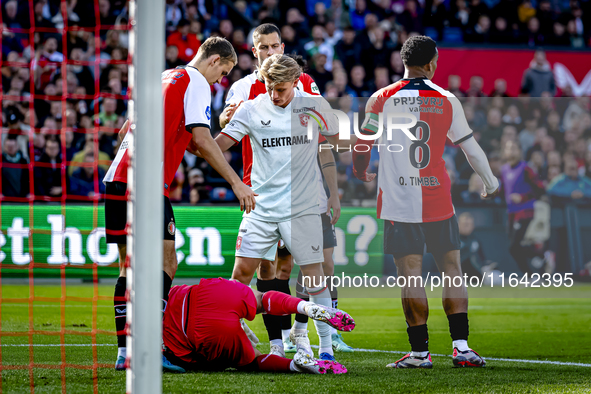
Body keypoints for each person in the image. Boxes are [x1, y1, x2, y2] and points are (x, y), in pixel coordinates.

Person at [103, 37, 256, 372]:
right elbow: (201, 139)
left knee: (128, 269)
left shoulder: (163, 77)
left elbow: (128, 132)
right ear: (214, 60)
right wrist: (236, 182)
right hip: (145, 184)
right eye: (224, 72)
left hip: (117, 176)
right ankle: (150, 348)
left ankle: (124, 352)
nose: (221, 81)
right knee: (167, 262)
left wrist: (223, 133)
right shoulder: (196, 81)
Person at [353, 36, 499, 368]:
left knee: (410, 275)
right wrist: (490, 183)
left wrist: (362, 172)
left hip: (398, 201)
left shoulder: (380, 98)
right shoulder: (447, 99)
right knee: (452, 270)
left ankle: (420, 353)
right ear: (432, 63)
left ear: (403, 63)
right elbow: (470, 148)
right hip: (437, 198)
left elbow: (362, 146)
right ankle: (461, 348)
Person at [219, 23, 349, 357]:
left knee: (306, 269)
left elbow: (332, 141)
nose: (271, 52)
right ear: (254, 52)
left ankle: (312, 342)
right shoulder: (244, 93)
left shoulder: (308, 92)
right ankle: (270, 341)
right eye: (264, 47)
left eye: (276, 46)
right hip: (258, 195)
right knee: (256, 270)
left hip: (302, 199)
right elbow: (220, 138)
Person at [162, 277, 354, 374]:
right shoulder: (143, 293)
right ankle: (305, 306)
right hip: (199, 294)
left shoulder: (139, 339)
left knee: (254, 360)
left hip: (194, 332)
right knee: (262, 299)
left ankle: (295, 366)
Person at [500, 140, 548, 275]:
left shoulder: (526, 168)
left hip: (525, 211)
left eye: (514, 148)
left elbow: (539, 189)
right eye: (509, 148)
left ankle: (532, 271)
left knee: (514, 246)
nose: (511, 151)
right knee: (514, 248)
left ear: (520, 151)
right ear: (504, 152)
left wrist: (522, 197)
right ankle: (540, 256)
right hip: (511, 212)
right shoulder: (503, 170)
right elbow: (502, 190)